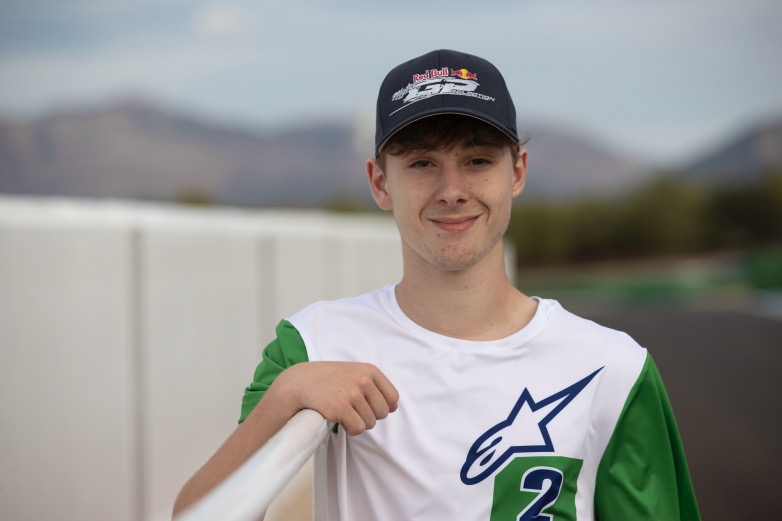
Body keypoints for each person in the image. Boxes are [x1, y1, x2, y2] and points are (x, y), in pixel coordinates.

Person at [173, 49, 701, 520]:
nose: (451, 190)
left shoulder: (613, 367)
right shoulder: (315, 344)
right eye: (422, 163)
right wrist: (287, 394)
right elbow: (197, 515)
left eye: (477, 160)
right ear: (380, 183)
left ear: (516, 172)